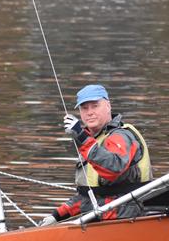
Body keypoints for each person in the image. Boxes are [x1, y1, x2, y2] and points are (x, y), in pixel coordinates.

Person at [40, 84, 153, 226]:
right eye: (84, 108)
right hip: (100, 220)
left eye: (95, 106)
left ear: (108, 106)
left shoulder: (121, 135)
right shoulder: (91, 141)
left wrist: (81, 137)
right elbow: (88, 195)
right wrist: (57, 216)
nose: (89, 112)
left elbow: (114, 168)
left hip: (127, 220)